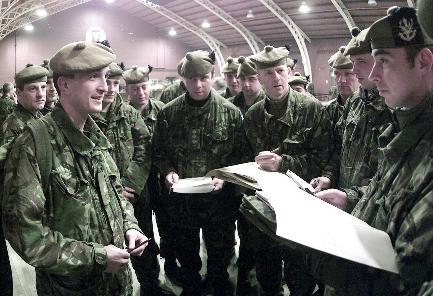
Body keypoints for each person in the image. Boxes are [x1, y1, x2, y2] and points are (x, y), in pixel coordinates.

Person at [295, 6, 433, 295]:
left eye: (382, 61)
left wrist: (321, 255)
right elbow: (383, 197)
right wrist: (350, 199)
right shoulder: (403, 128)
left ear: (423, 61)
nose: (371, 74)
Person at [2, 41, 148, 295]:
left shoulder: (95, 136)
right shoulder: (34, 144)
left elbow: (114, 194)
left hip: (115, 286)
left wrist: (130, 226)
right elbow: (26, 235)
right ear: (64, 85)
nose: (105, 86)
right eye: (94, 77)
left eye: (105, 76)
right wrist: (98, 257)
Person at [152, 50, 246, 295]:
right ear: (183, 79)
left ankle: (219, 283)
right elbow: (159, 151)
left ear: (212, 75)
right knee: (185, 250)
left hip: (219, 201)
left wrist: (225, 177)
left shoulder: (230, 113)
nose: (198, 84)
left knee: (221, 251)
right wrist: (168, 171)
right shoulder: (169, 114)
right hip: (183, 202)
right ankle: (192, 283)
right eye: (191, 79)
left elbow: (240, 155)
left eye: (203, 78)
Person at [242, 45, 332, 296]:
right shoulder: (253, 116)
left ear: (289, 71)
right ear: (259, 78)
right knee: (267, 275)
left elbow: (324, 159)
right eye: (268, 73)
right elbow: (245, 162)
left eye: (280, 71)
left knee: (301, 277)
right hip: (264, 209)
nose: (276, 78)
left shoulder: (311, 109)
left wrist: (284, 164)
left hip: (301, 209)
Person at [311, 26, 393, 202]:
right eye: (353, 61)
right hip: (344, 203)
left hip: (372, 208)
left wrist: (350, 198)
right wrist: (329, 176)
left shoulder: (394, 106)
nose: (355, 69)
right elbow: (339, 149)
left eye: (361, 62)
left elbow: (391, 179)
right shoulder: (354, 102)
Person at [121, 65, 172, 295]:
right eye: (135, 88)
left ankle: (171, 266)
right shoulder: (121, 116)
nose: (140, 92)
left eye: (144, 86)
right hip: (135, 185)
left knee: (170, 229)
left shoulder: (163, 111)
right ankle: (149, 282)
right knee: (142, 232)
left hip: (161, 182)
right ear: (127, 90)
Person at [1, 64, 48, 146]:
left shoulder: (39, 116)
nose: (40, 94)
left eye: (43, 87)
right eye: (33, 88)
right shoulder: (12, 126)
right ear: (19, 93)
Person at [324, 46, 359, 139]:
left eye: (348, 73)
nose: (341, 80)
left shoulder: (369, 110)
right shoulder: (327, 111)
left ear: (359, 74)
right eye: (337, 74)